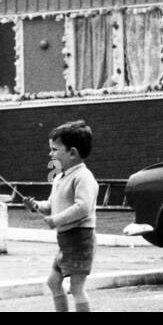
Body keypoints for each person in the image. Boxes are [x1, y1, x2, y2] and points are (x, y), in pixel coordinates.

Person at [25, 120, 98, 312]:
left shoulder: (83, 177)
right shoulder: (59, 177)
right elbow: (51, 206)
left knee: (76, 288)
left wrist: (56, 220)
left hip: (80, 239)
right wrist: (36, 206)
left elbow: (83, 207)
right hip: (66, 239)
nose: (51, 154)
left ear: (72, 153)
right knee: (53, 282)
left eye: (55, 150)